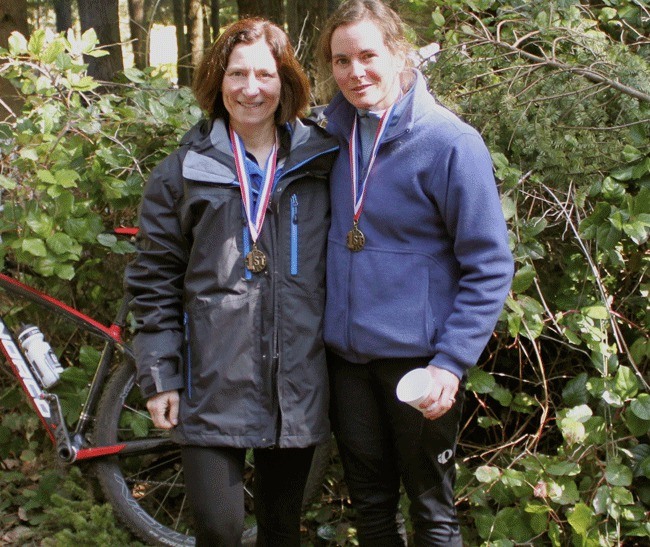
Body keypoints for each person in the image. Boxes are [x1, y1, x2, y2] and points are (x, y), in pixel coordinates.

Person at [124, 17, 338, 546]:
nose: (250, 88)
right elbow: (153, 279)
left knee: (282, 531)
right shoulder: (182, 172)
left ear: (285, 82)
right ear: (218, 81)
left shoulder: (324, 164)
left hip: (296, 382)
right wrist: (160, 374)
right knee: (218, 531)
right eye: (237, 73)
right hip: (209, 381)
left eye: (265, 74)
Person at [317, 1, 514, 545]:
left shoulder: (451, 143)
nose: (356, 73)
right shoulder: (328, 136)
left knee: (432, 511)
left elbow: (490, 265)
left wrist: (450, 364)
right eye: (341, 61)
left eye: (368, 56)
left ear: (399, 52)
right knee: (372, 509)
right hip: (347, 361)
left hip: (419, 364)